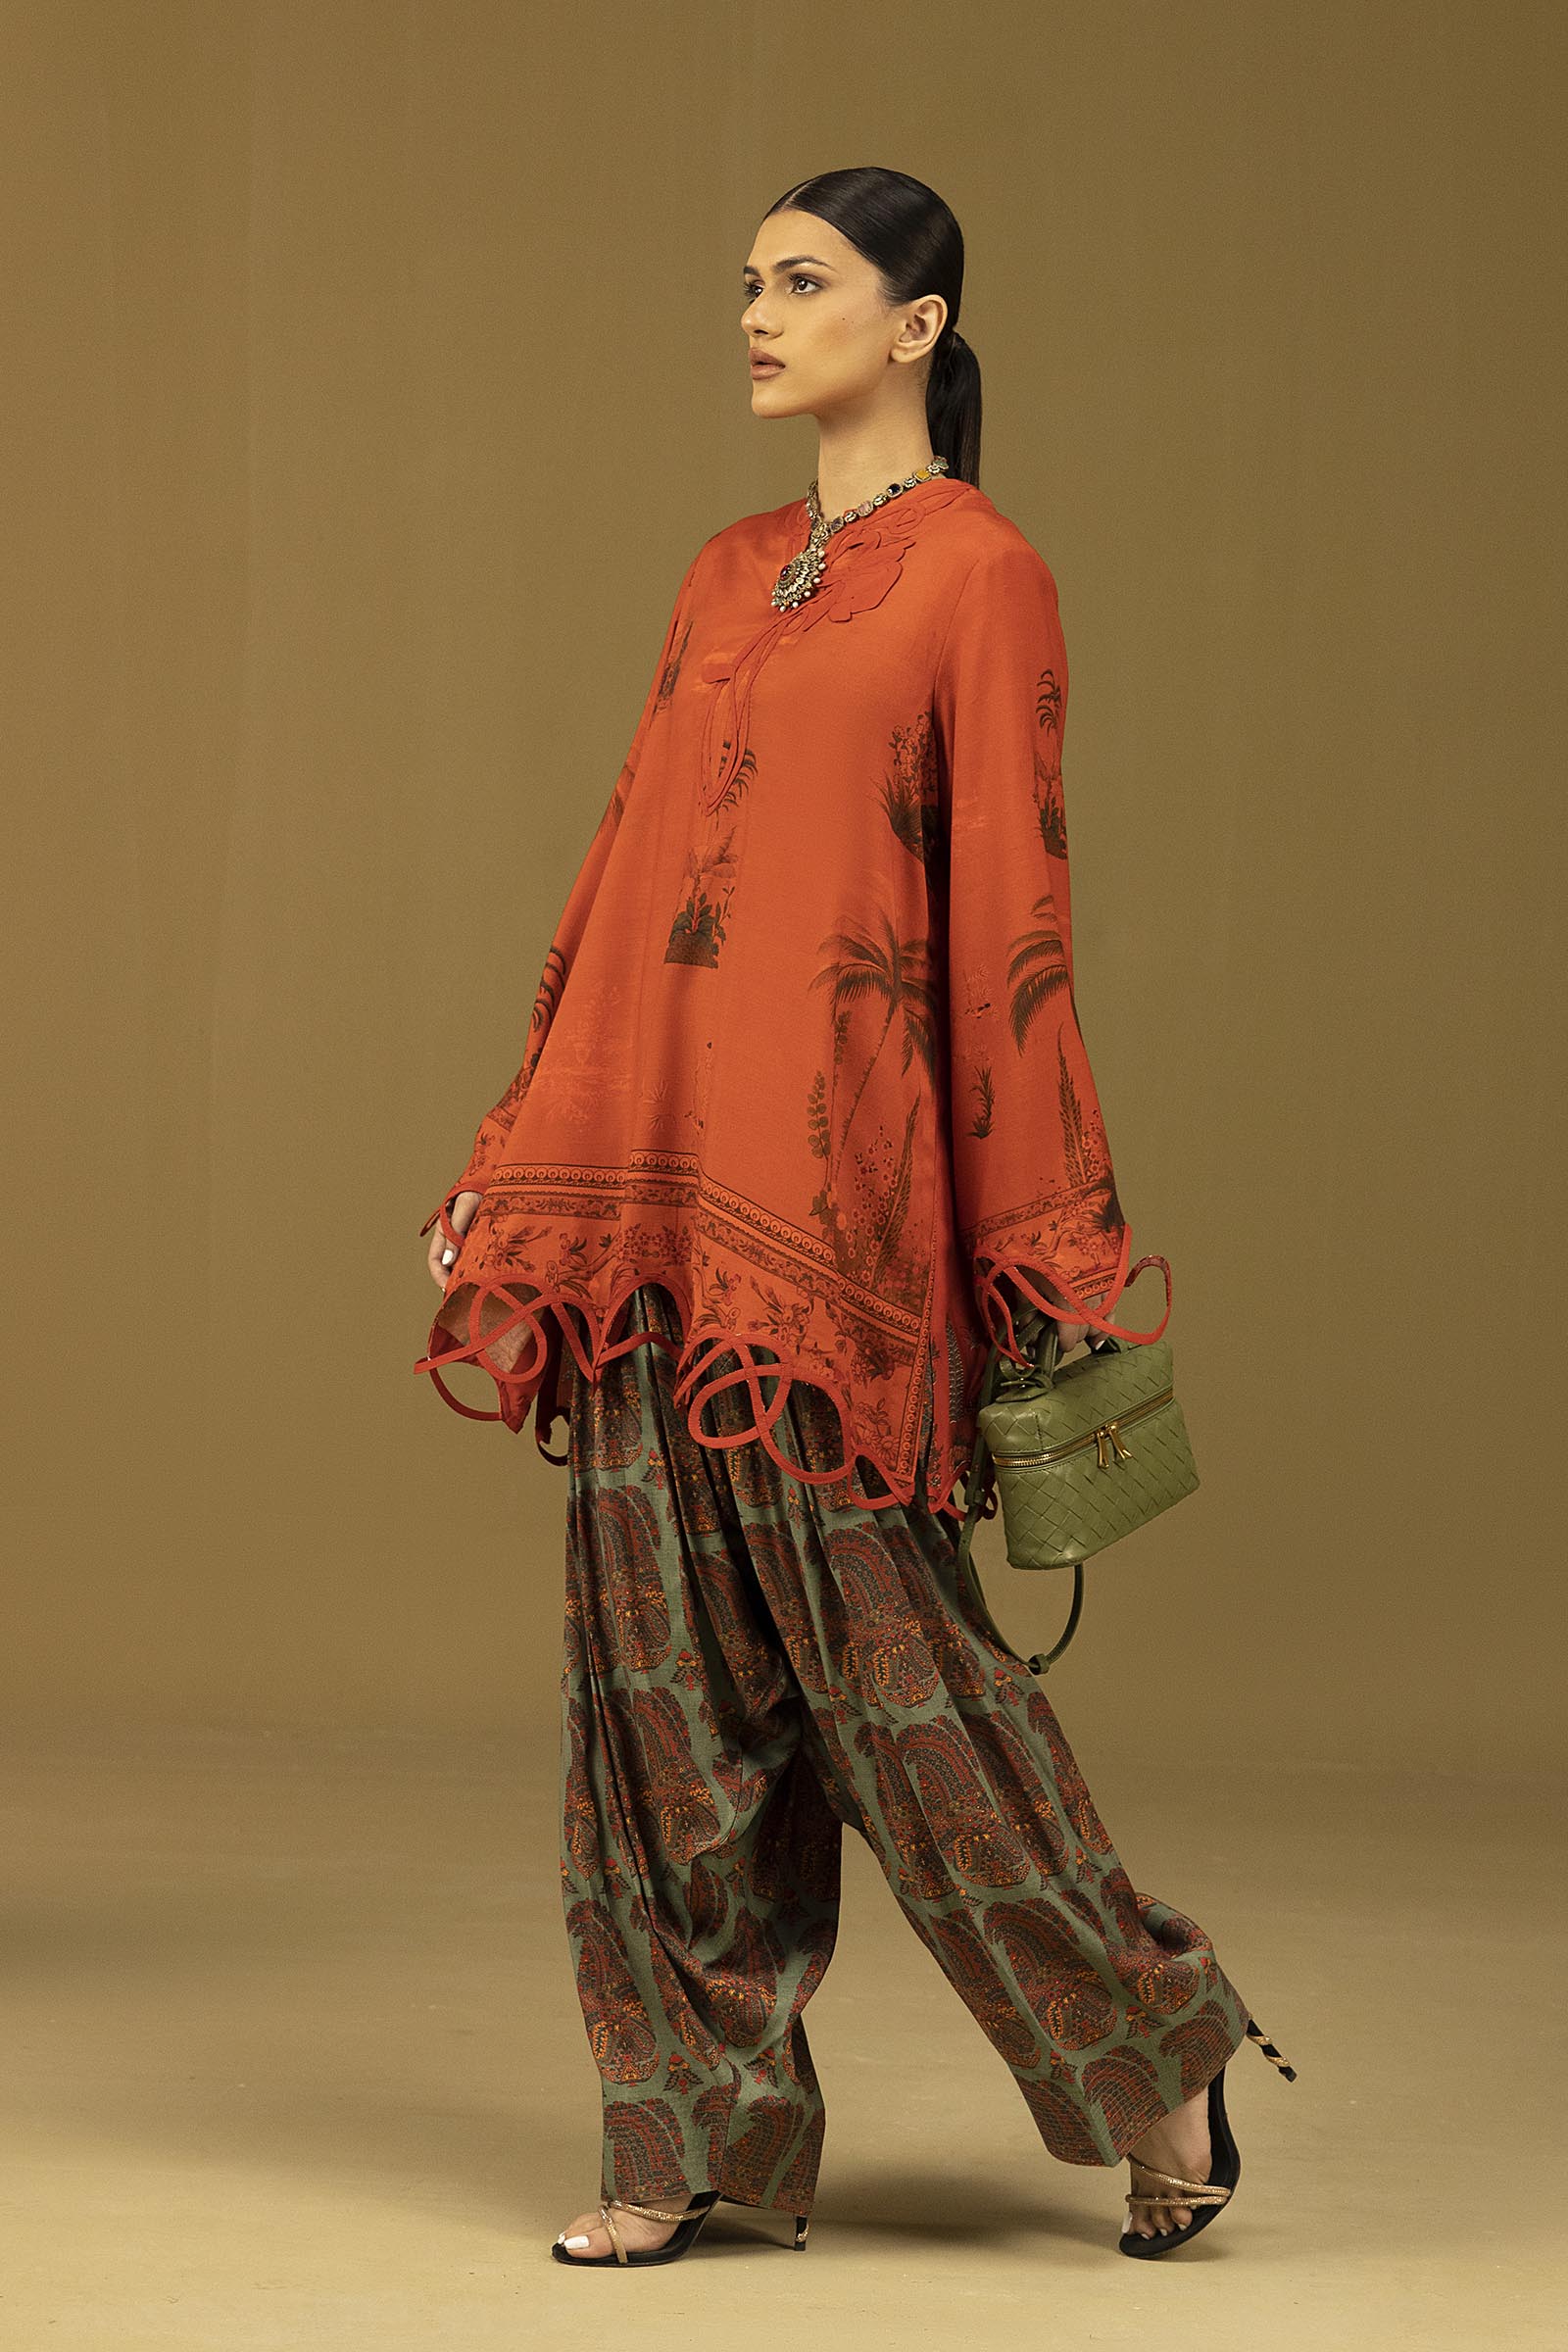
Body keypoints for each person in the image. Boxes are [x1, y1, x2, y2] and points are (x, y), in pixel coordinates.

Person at [416, 167, 1294, 2271]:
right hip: (644, 1204)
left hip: (835, 1225)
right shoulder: (723, 573)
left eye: (800, 281)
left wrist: (1038, 1245)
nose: (754, 310)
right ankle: (685, 2135)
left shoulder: (982, 577)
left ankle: (1152, 2049)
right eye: (746, 279)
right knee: (653, 1698)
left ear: (914, 326)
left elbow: (1011, 912)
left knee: (913, 1707)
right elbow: (626, 868)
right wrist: (520, 1151)